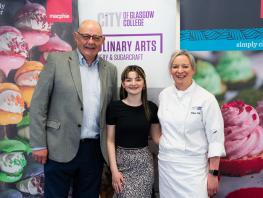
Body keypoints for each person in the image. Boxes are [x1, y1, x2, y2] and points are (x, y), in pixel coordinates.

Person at [29, 19, 117, 198]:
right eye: (85, 36)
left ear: (102, 41)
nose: (90, 42)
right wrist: (38, 144)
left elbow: (112, 113)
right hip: (58, 146)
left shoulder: (110, 70)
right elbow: (39, 104)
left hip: (93, 151)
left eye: (95, 37)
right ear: (76, 37)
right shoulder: (56, 61)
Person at [157, 50, 225, 198]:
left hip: (194, 169)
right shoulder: (164, 95)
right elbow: (164, 129)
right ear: (170, 70)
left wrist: (213, 174)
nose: (180, 71)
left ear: (193, 69)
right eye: (175, 67)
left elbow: (216, 140)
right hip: (167, 167)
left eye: (185, 66)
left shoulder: (207, 99)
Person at [106, 65, 161, 198]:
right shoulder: (114, 107)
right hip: (121, 163)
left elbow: (157, 138)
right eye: (129, 80)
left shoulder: (152, 108)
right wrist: (114, 170)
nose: (133, 83)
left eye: (138, 79)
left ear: (144, 84)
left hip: (144, 165)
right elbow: (110, 140)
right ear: (123, 84)